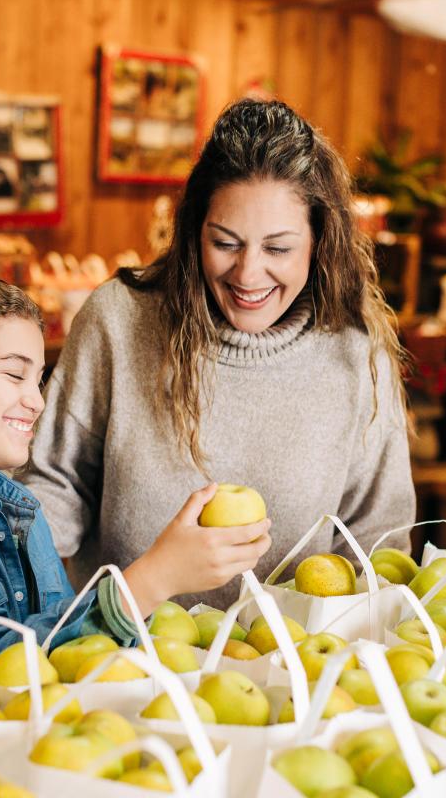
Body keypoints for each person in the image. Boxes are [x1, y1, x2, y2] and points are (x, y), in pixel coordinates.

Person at [22, 99, 414, 609]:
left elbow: (377, 538)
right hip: (126, 661)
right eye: (225, 243)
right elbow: (52, 487)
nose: (248, 274)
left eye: (278, 249)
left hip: (294, 671)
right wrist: (40, 616)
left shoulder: (355, 350)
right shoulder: (120, 321)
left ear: (321, 241)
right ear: (194, 232)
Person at [0, 273, 271, 699]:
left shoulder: (22, 509)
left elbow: (60, 657)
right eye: (15, 374)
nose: (36, 401)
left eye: (39, 379)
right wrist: (152, 580)